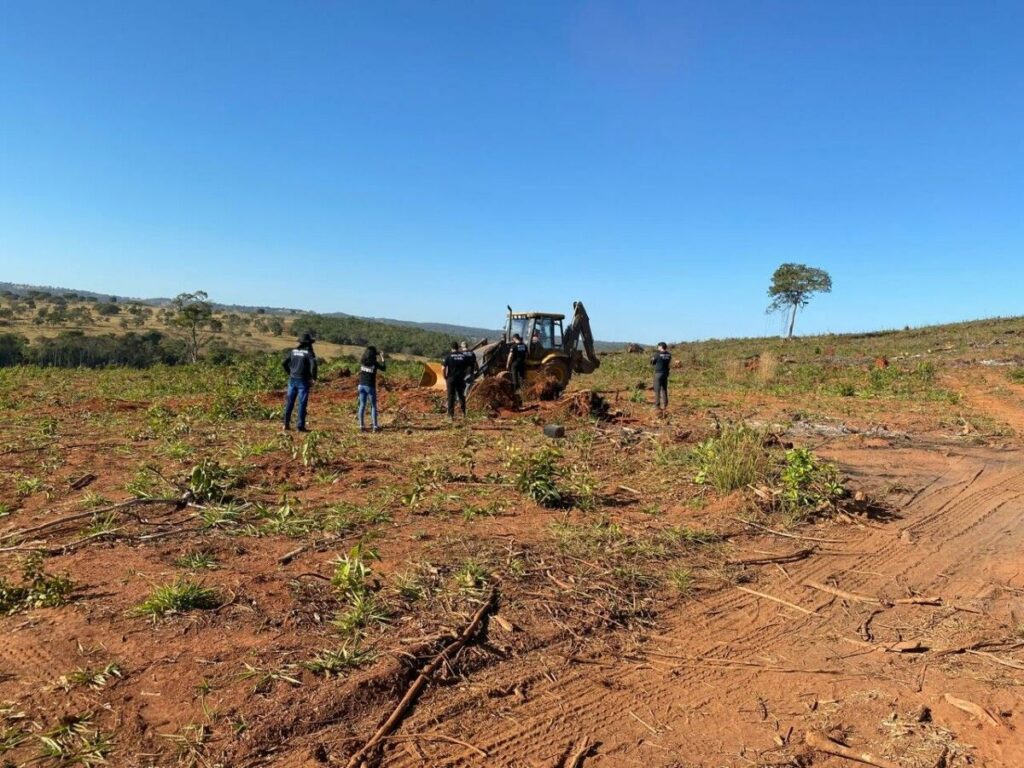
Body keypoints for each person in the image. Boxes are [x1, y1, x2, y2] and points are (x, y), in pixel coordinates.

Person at [283, 333, 318, 431]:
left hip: (292, 380)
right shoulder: (309, 353)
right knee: (302, 403)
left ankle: (285, 424)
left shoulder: (293, 351)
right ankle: (300, 426)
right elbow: (313, 365)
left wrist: (290, 372)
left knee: (289, 402)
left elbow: (284, 363)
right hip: (303, 381)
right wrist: (313, 378)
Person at [357, 345, 385, 432]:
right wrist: (382, 356)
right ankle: (375, 426)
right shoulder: (374, 363)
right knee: (373, 406)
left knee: (362, 405)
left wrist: (375, 353)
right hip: (370, 386)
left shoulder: (362, 361)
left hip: (361, 386)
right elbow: (384, 368)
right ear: (374, 355)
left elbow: (369, 353)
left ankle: (361, 426)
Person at [442, 342, 471, 420]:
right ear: (458, 347)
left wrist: (444, 376)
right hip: (460, 379)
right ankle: (464, 413)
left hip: (451, 379)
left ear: (451, 348)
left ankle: (450, 415)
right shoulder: (463, 356)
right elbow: (468, 367)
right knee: (461, 395)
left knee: (451, 396)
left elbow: (443, 368)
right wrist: (464, 375)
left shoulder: (448, 356)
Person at [651, 342, 672, 410]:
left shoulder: (657, 354)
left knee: (657, 390)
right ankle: (665, 405)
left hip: (658, 374)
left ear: (661, 347)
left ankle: (657, 406)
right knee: (664, 389)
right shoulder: (669, 355)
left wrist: (653, 358)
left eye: (658, 346)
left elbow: (652, 362)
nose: (657, 347)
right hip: (665, 373)